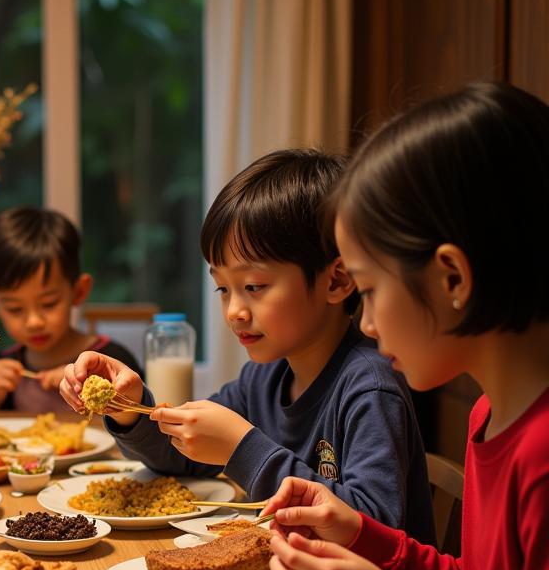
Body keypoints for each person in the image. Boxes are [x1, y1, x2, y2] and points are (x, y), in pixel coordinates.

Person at [262, 83, 549, 570]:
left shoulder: (543, 450)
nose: (368, 321)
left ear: (451, 278)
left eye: (370, 286)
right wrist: (370, 538)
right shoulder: (494, 411)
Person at [60, 150, 435, 540]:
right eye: (223, 288)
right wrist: (129, 407)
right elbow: (181, 458)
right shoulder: (264, 376)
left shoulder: (369, 387)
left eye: (253, 286)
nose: (234, 311)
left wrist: (242, 447)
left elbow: (377, 532)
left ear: (336, 281)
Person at [0, 206, 142, 415]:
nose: (34, 322)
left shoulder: (111, 361)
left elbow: (142, 424)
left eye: (49, 303)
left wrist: (92, 387)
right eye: (15, 308)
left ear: (79, 291)